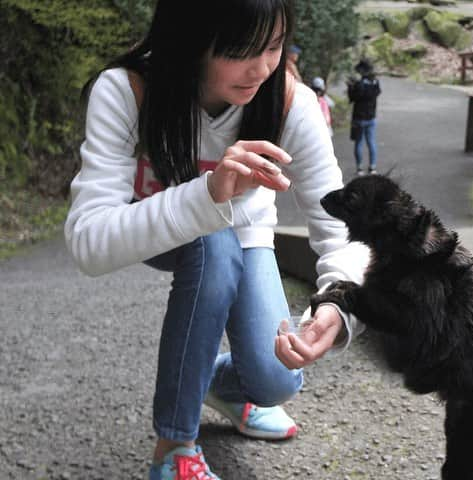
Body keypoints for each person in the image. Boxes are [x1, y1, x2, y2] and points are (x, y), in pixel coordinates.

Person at [64, 1, 368, 479]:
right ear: (190, 38)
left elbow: (345, 229)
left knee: (275, 379)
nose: (260, 69)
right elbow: (89, 243)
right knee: (212, 242)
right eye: (239, 51)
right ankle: (175, 446)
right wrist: (207, 194)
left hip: (244, 233)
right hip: (159, 231)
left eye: (272, 47)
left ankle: (223, 384)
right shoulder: (129, 91)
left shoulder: (291, 102)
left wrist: (340, 303)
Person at [347, 59, 381, 176]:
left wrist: (350, 87)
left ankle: (359, 168)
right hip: (371, 117)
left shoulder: (360, 84)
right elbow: (377, 93)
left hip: (359, 118)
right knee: (371, 142)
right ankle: (372, 167)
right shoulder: (375, 82)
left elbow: (352, 98)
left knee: (359, 143)